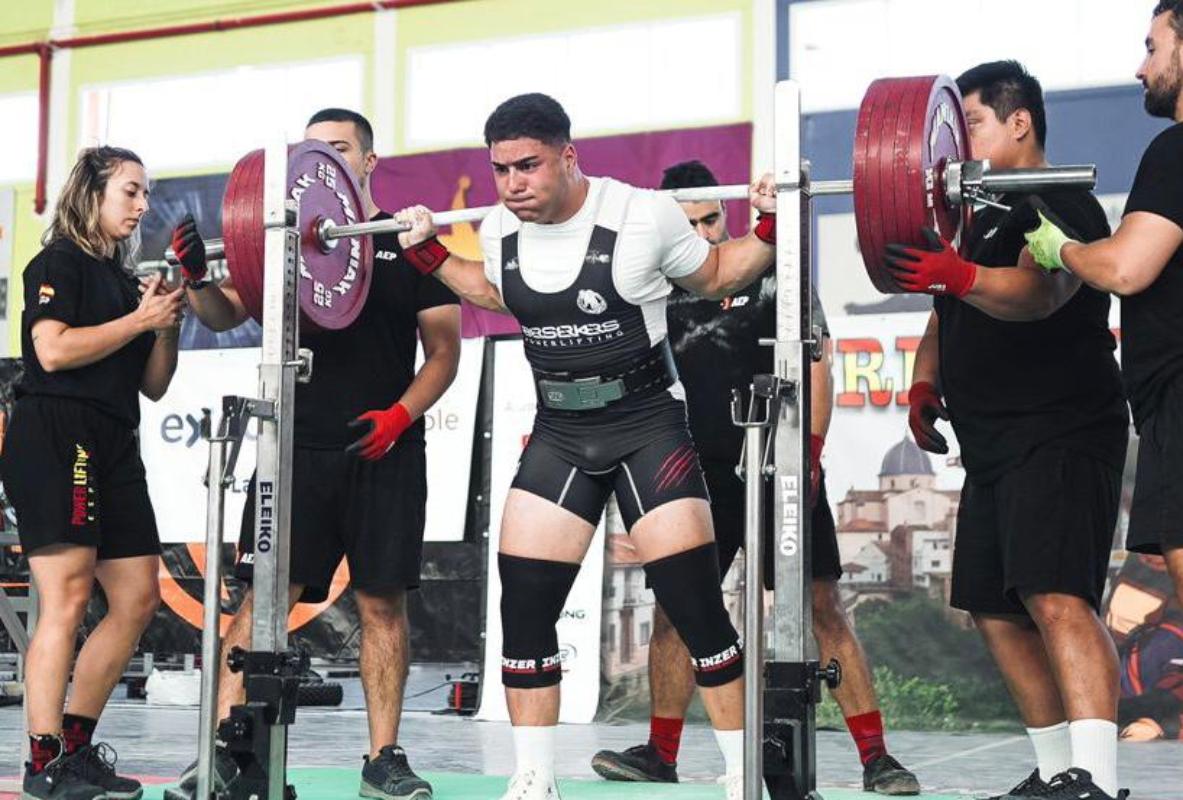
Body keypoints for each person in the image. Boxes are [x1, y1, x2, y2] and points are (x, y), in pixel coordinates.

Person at [392, 93, 779, 800]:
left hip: (646, 426)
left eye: (528, 166)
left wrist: (773, 220)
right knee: (526, 608)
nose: (513, 183)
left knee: (695, 608)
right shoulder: (497, 226)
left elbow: (721, 273)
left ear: (568, 156)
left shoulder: (641, 215)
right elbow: (495, 293)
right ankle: (534, 778)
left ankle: (740, 777)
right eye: (500, 169)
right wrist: (429, 252)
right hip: (561, 434)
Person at [587, 160, 919, 795]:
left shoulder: (773, 269)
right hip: (696, 469)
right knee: (674, 612)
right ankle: (661, 752)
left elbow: (818, 361)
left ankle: (877, 758)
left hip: (780, 461)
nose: (705, 236)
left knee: (821, 608)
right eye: (688, 224)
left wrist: (809, 455)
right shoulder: (652, 283)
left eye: (712, 219)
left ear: (727, 213)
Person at [169, 109, 461, 800]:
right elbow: (222, 314)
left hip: (385, 449)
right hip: (295, 451)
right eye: (313, 152)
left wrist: (399, 415)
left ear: (367, 162)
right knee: (261, 604)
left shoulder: (410, 242)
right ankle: (219, 755)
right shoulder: (280, 245)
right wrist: (195, 280)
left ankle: (382, 757)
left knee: (382, 606)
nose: (324, 163)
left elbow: (444, 353)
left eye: (338, 150)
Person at [886, 62, 1129, 800]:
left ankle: (1094, 780)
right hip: (991, 441)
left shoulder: (1061, 201)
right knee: (993, 608)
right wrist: (925, 381)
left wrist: (958, 276)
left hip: (1060, 428)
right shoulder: (975, 211)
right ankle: (1057, 772)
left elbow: (1041, 293)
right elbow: (942, 310)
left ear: (1017, 122)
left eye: (976, 126)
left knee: (1058, 597)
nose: (957, 146)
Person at [0, 146, 183, 800]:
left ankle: (76, 748)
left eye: (145, 194)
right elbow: (50, 350)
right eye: (130, 192)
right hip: (56, 432)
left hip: (114, 435)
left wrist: (167, 321)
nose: (142, 206)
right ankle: (42, 762)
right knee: (69, 597)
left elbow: (155, 385)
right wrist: (138, 318)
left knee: (137, 598)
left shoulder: (124, 280)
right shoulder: (58, 263)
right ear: (92, 192)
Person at [1024, 0, 1183, 625]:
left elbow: (1124, 267)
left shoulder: (1175, 149)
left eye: (1153, 46)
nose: (1140, 68)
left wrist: (1058, 248)